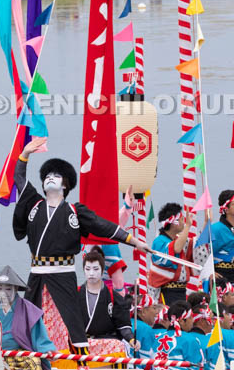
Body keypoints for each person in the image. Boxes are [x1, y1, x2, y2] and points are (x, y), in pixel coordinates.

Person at [13, 137, 147, 355]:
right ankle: (30, 358)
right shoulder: (34, 204)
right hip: (36, 274)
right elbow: (19, 179)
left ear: (65, 184)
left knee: (69, 321)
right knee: (29, 319)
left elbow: (104, 226)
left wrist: (135, 242)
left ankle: (76, 362)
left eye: (55, 176)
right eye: (47, 176)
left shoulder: (75, 211)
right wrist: (25, 154)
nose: (50, 178)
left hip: (63, 274)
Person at [78, 249, 135, 347]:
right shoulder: (75, 294)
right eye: (88, 269)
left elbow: (123, 325)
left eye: (96, 269)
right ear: (83, 270)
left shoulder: (114, 296)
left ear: (102, 269)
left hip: (107, 343)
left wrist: (131, 339)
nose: (91, 273)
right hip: (81, 343)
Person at [148, 202, 194, 306]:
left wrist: (207, 222)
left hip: (181, 291)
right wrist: (188, 227)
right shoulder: (159, 241)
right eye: (181, 219)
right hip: (167, 292)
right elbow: (176, 249)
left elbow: (195, 247)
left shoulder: (178, 240)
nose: (184, 222)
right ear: (173, 223)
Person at [153, 301, 204, 370]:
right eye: (190, 317)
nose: (193, 320)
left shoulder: (158, 338)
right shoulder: (190, 340)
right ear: (181, 321)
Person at [211, 190, 234, 288]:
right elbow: (202, 251)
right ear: (226, 209)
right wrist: (210, 272)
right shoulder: (216, 229)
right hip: (220, 275)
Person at [130, 294, 161, 360]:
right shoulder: (146, 329)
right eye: (154, 308)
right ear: (143, 311)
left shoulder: (124, 325)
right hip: (136, 366)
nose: (157, 312)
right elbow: (148, 360)